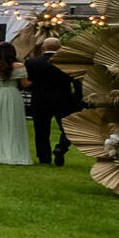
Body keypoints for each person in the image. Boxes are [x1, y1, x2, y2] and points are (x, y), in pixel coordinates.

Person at [24, 36, 80, 166]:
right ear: (60, 48)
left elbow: (28, 82)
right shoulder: (68, 63)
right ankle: (61, 147)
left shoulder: (32, 62)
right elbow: (76, 82)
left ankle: (44, 157)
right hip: (63, 99)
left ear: (43, 47)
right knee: (68, 128)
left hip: (40, 99)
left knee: (41, 129)